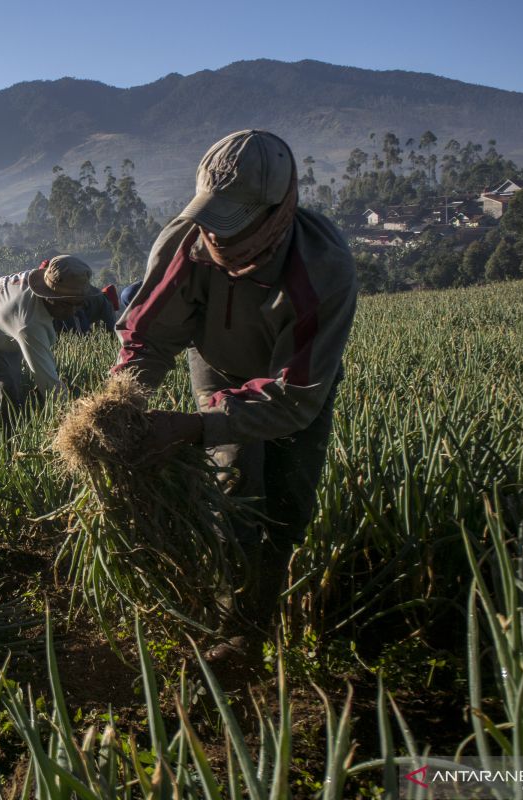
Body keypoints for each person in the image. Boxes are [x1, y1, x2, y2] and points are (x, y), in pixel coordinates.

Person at [112, 130, 358, 623]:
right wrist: (124, 400)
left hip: (293, 386)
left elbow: (296, 396)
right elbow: (148, 334)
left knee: (290, 503)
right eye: (213, 219)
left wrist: (195, 427)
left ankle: (263, 611)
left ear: (279, 210)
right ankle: (233, 620)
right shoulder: (186, 240)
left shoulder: (322, 268)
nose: (218, 236)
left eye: (235, 223)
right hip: (218, 366)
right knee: (234, 489)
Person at [0, 255, 98, 416]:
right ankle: (2, 439)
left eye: (80, 302)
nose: (76, 310)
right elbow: (48, 382)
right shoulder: (28, 324)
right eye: (71, 304)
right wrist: (72, 418)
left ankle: (24, 420)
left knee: (17, 386)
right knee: (4, 390)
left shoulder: (48, 280)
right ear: (51, 298)